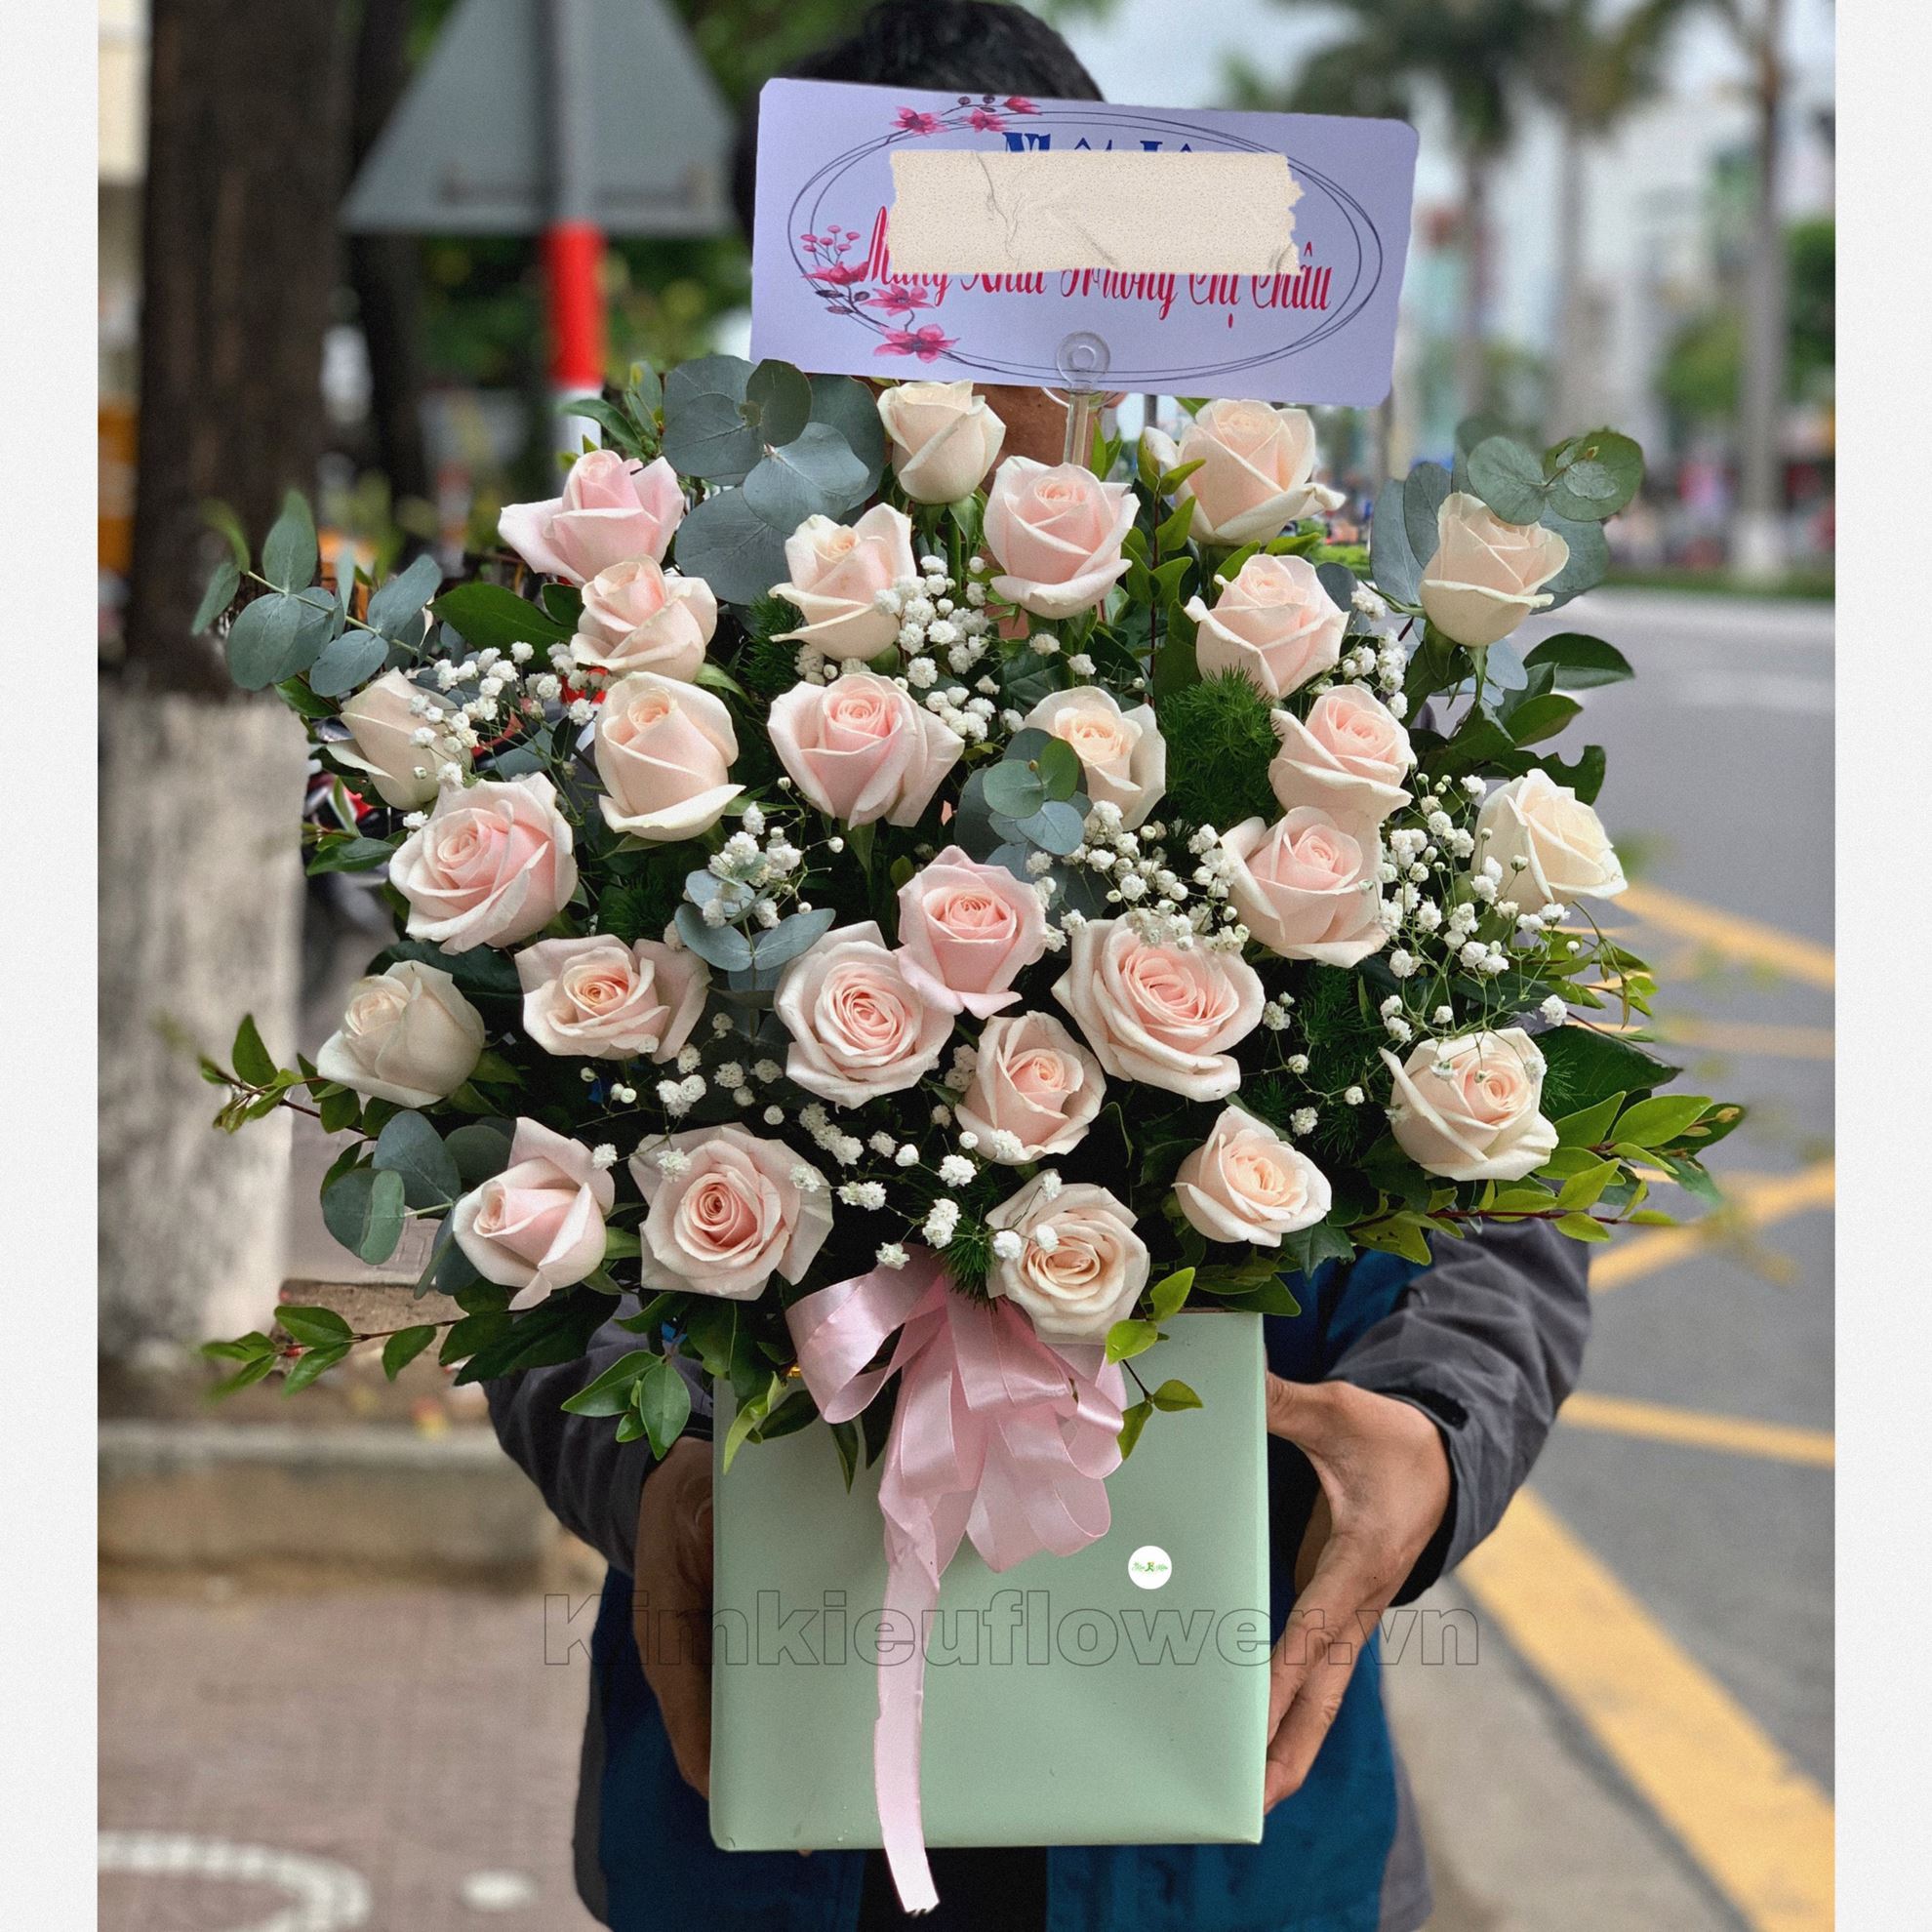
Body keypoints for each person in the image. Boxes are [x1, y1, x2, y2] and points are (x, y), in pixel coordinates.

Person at [489, 7, 1590, 1928]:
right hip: (769, 1776)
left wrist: (1432, 1439)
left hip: (1217, 1796)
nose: (954, 363)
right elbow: (521, 1199)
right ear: (791, 306)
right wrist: (631, 1467)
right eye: (887, 287)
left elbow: (1503, 1191)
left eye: (1017, 267)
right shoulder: (661, 727)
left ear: (1124, 285)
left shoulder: (1304, 695)